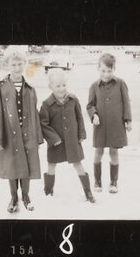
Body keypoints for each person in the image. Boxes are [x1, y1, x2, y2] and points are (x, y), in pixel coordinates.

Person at [0, 52, 44, 213]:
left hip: (27, 133)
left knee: (27, 165)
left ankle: (26, 197)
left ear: (24, 64)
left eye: (20, 64)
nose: (17, 67)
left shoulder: (30, 89)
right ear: (7, 65)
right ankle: (13, 198)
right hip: (9, 134)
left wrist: (38, 138)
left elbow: (35, 114)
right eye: (13, 64)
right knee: (12, 166)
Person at [38, 70, 97, 204]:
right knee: (51, 166)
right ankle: (48, 191)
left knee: (78, 165)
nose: (62, 88)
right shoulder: (46, 104)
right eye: (58, 86)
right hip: (56, 143)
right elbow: (43, 124)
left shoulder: (73, 99)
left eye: (64, 85)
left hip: (72, 141)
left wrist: (81, 134)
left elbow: (79, 117)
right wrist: (54, 139)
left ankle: (88, 192)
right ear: (50, 87)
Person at [88, 52, 132, 194]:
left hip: (116, 125)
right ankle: (97, 182)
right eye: (103, 71)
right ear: (98, 69)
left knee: (114, 152)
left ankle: (113, 182)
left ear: (114, 69)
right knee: (98, 152)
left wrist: (128, 120)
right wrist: (93, 115)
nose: (106, 74)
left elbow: (126, 103)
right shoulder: (94, 86)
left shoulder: (120, 84)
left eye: (109, 71)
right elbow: (90, 105)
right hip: (100, 126)